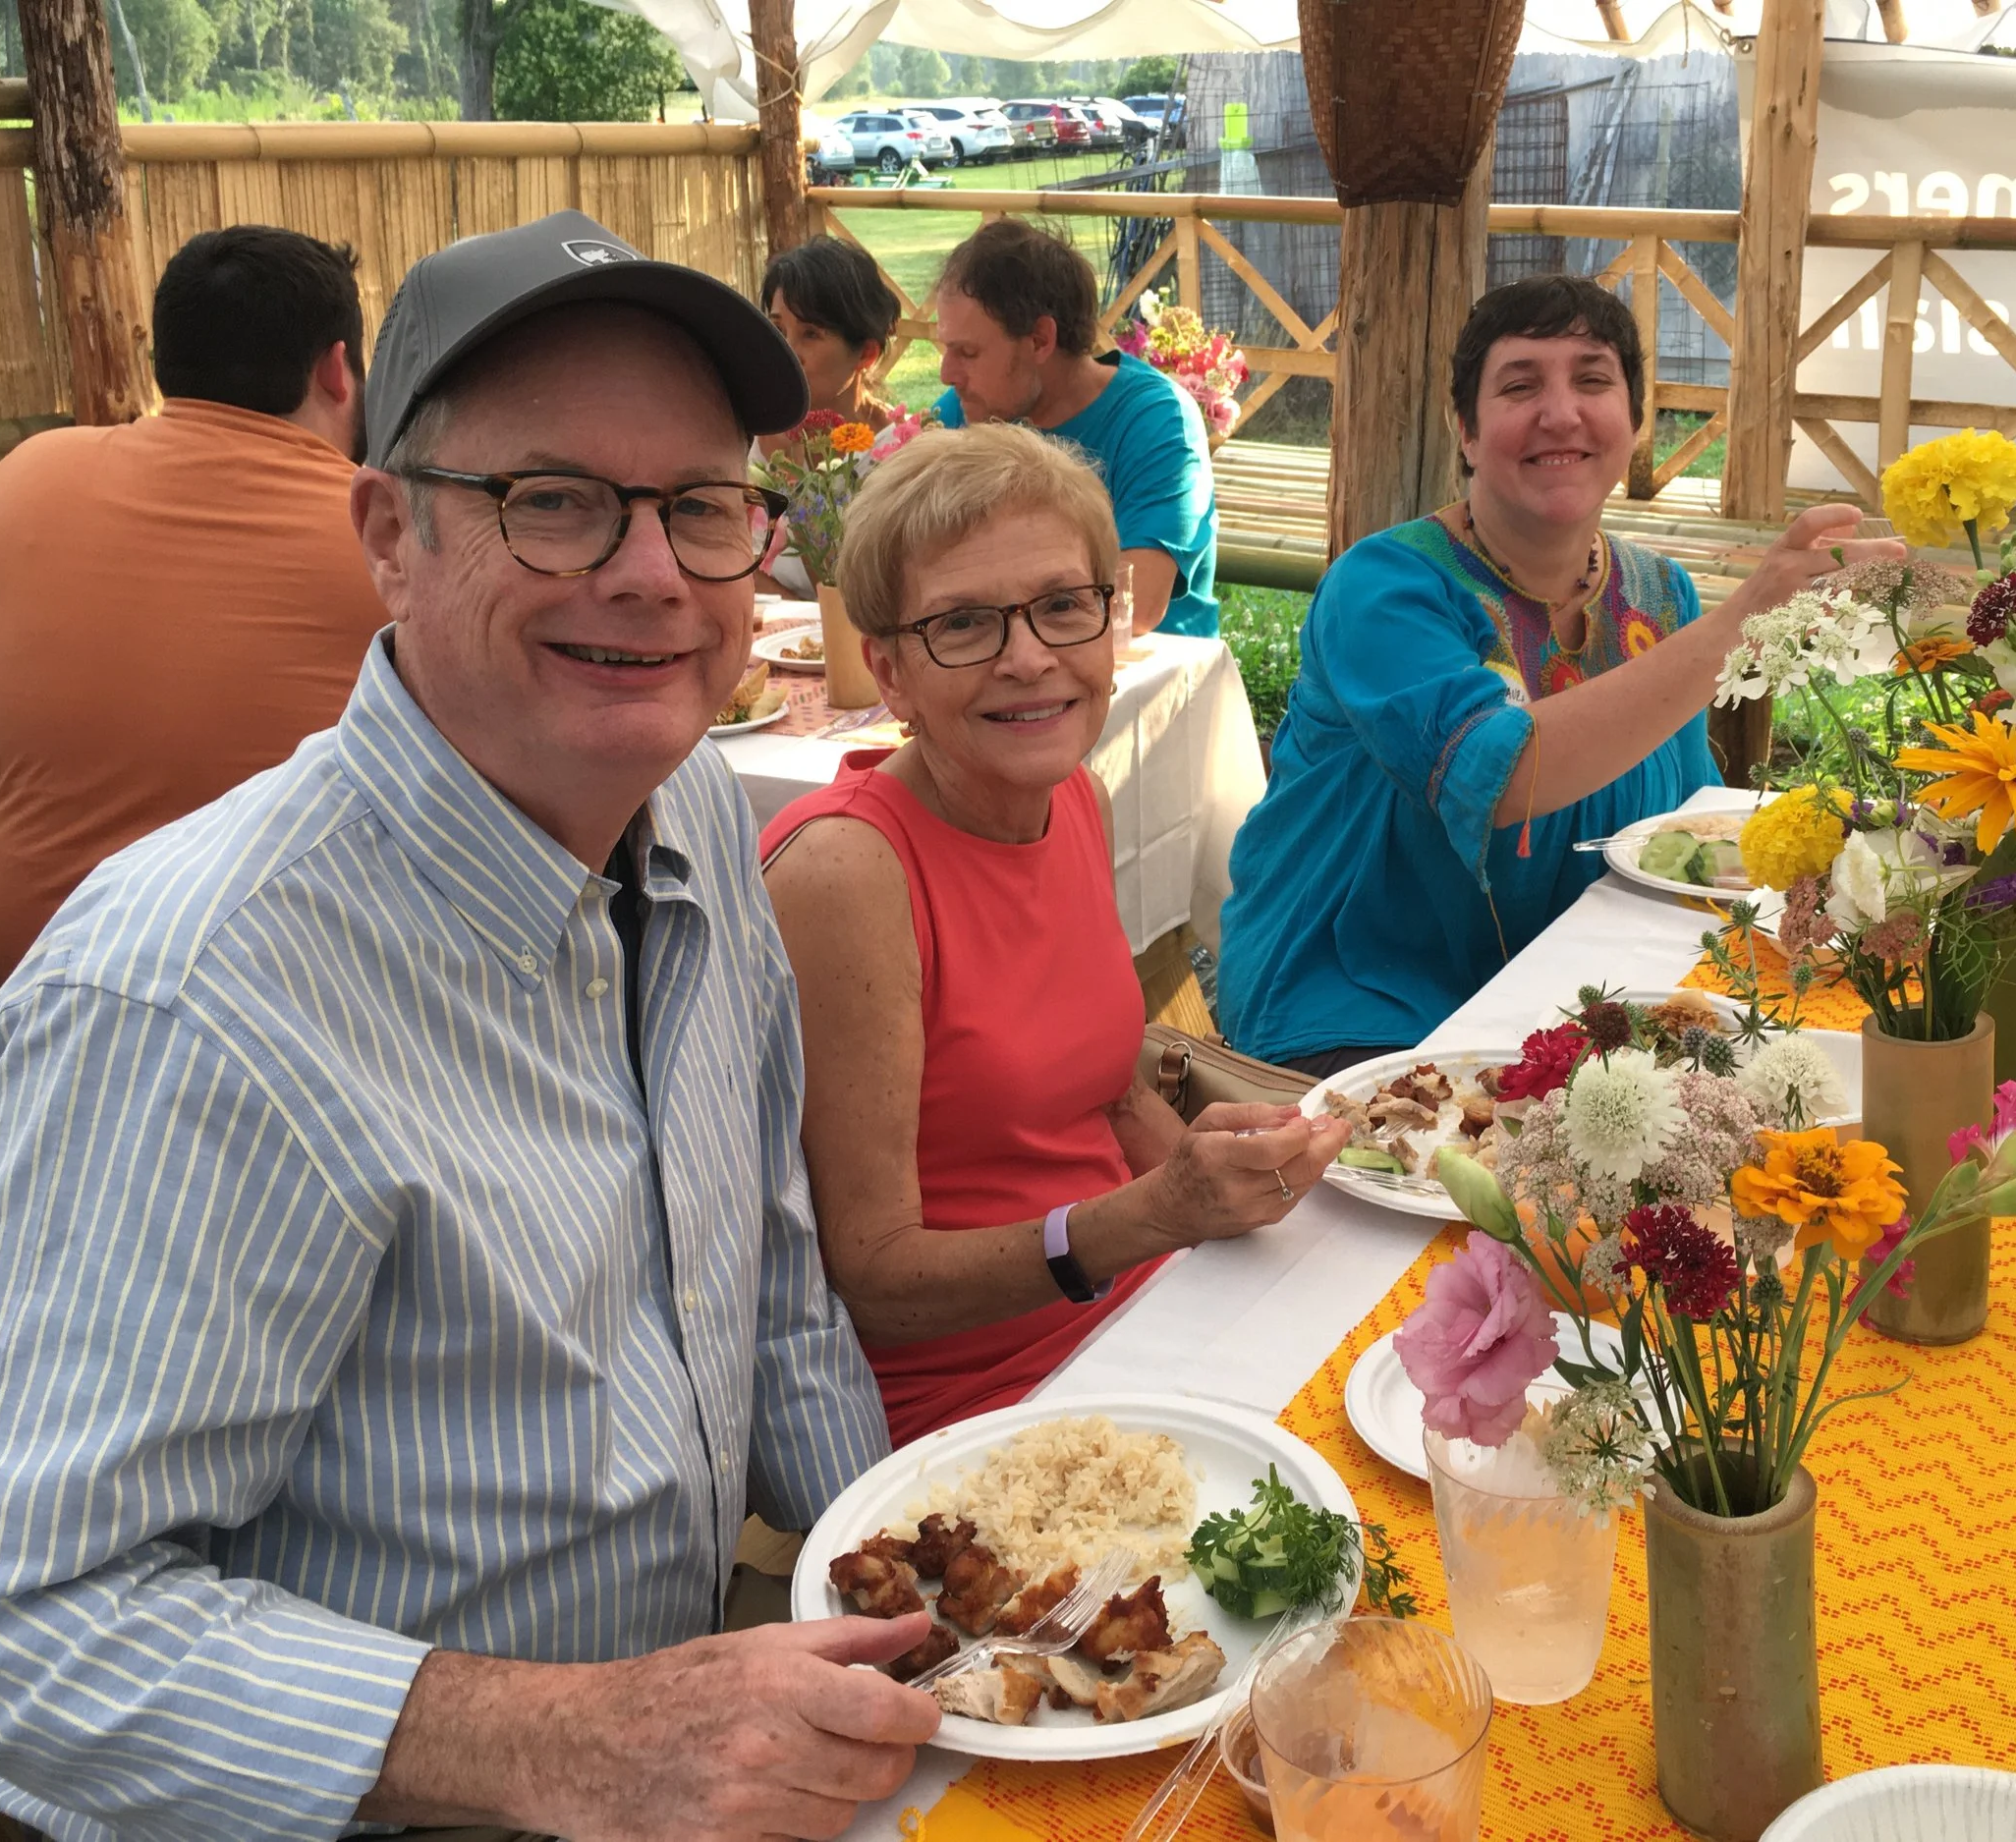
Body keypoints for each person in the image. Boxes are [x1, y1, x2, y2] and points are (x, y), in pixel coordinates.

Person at [0, 208, 938, 1842]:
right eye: (551, 502)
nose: (647, 574)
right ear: (388, 533)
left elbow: (767, 1274)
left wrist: (908, 1581)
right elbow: (19, 1626)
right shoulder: (190, 996)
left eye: (701, 507)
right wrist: (565, 1745)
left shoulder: (692, 798)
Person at [760, 421, 1349, 1446]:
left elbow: (1112, 1093)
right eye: (962, 624)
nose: (1029, 658)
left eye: (1062, 607)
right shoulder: (844, 872)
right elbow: (874, 1277)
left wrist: (1237, 1211)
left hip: (1145, 1311)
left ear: (1111, 623)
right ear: (888, 673)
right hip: (985, 1406)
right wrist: (1157, 1218)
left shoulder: (1072, 793)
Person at [1216, 275, 1905, 1075]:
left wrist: (1825, 861)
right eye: (1519, 385)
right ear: (1467, 432)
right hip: (1360, 993)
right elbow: (1502, 774)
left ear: (1634, 421)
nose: (1561, 412)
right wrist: (1740, 622)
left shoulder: (1660, 594)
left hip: (1580, 987)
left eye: (1592, 379)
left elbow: (1684, 824)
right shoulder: (1385, 589)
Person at [0, 224, 385, 987]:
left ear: (166, 363)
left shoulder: (23, 477)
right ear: (338, 370)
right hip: (252, 987)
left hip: (11, 963)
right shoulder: (386, 543)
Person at [929, 218, 1220, 639]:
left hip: (1143, 685)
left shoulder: (1157, 420)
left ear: (1039, 341)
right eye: (945, 349)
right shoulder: (964, 411)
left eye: (968, 352)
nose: (946, 373)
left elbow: (1134, 607)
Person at [758, 235, 903, 440]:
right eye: (779, 330)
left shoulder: (896, 450)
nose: (786, 352)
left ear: (866, 354)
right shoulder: (743, 427)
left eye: (810, 334)